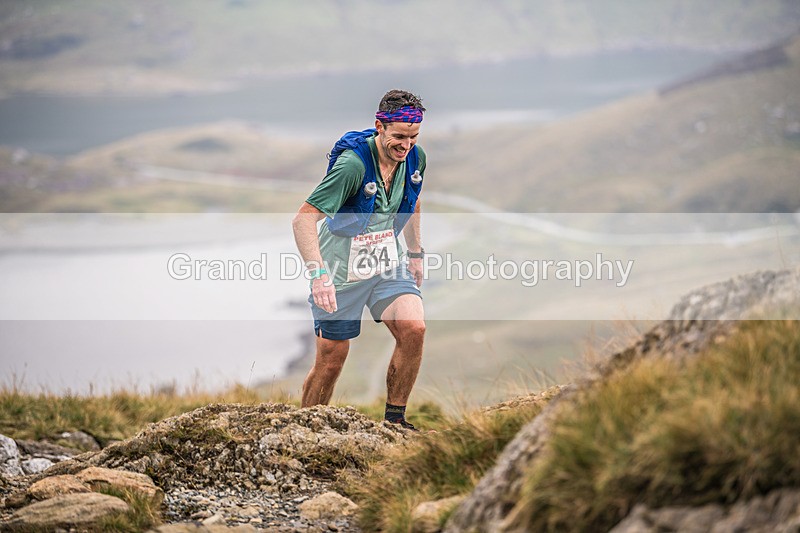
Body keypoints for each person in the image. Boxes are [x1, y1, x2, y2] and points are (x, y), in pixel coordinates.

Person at [292, 89, 427, 430]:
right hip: (339, 270)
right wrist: (319, 275)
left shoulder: (415, 158)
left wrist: (415, 253)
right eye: (398, 137)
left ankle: (395, 421)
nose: (406, 145)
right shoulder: (352, 166)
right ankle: (305, 428)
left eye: (413, 137)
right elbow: (303, 219)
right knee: (332, 359)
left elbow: (412, 201)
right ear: (379, 127)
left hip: (386, 265)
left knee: (414, 328)